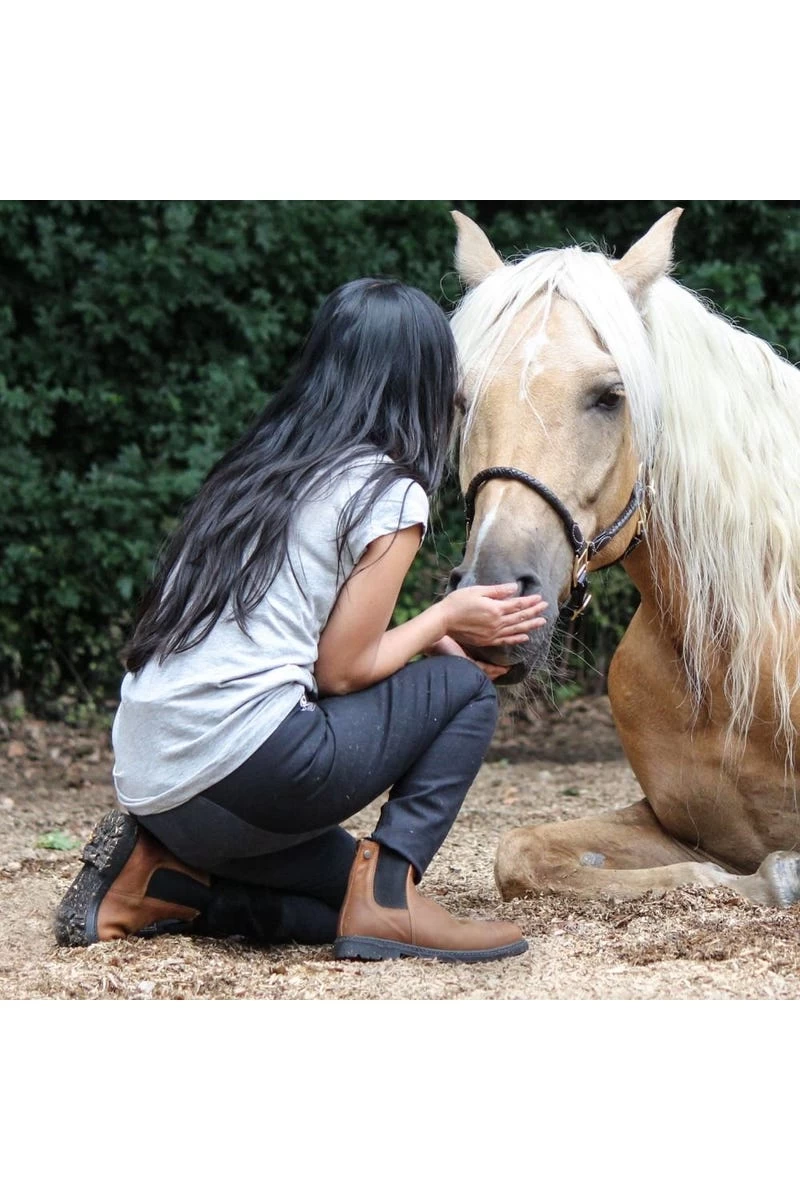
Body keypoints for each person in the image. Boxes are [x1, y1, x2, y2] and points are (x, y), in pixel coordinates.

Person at [55, 278, 547, 962]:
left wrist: (427, 631)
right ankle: (392, 894)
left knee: (341, 900)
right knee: (464, 691)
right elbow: (342, 670)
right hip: (247, 768)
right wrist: (447, 614)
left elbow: (301, 637)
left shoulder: (258, 469)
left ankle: (157, 883)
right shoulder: (387, 491)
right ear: (424, 381)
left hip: (157, 784)